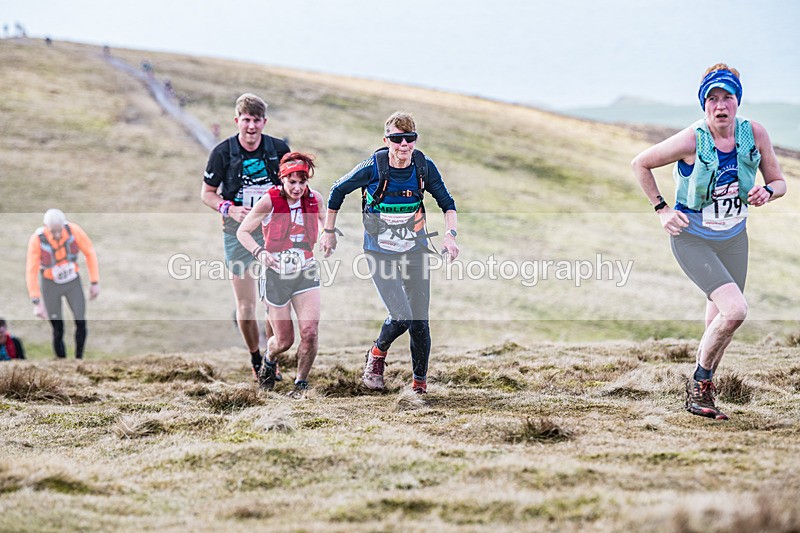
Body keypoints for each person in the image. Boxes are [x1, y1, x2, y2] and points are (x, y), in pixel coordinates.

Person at [631, 63, 786, 420]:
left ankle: (704, 396)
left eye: (727, 97)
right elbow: (640, 163)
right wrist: (661, 209)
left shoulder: (754, 134)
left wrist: (767, 192)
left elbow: (779, 182)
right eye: (712, 98)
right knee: (736, 311)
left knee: (720, 325)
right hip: (693, 238)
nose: (720, 105)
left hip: (734, 238)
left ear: (737, 101)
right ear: (704, 104)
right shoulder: (691, 139)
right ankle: (698, 386)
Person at [320, 111, 459, 395]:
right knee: (401, 316)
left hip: (415, 251)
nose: (404, 145)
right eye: (397, 139)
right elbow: (337, 190)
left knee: (420, 320)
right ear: (387, 141)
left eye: (410, 139)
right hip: (379, 253)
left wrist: (450, 236)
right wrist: (328, 231)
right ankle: (376, 355)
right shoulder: (373, 167)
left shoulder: (423, 167)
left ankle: (419, 385)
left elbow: (447, 203)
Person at [201, 93, 290, 382]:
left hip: (272, 232)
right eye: (246, 120)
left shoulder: (278, 149)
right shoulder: (222, 152)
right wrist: (230, 208)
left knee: (273, 300)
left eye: (256, 121)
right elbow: (207, 193)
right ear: (237, 120)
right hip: (235, 234)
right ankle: (255, 357)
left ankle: (270, 359)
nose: (251, 127)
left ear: (264, 122)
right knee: (246, 304)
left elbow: (292, 186)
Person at [237, 152, 325, 394]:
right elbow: (243, 232)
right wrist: (259, 252)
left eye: (302, 181)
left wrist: (329, 236)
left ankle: (300, 383)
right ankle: (269, 357)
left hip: (306, 270)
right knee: (284, 341)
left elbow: (327, 224)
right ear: (282, 179)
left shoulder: (315, 199)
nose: (297, 188)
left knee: (310, 332)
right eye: (292, 182)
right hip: (275, 274)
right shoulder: (269, 200)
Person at [26, 209, 100, 359]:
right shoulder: (37, 240)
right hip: (50, 285)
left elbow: (90, 252)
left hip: (73, 282)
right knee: (57, 328)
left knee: (81, 321)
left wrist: (94, 282)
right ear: (46, 227)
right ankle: (62, 361)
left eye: (59, 230)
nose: (58, 235)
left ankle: (79, 359)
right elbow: (31, 270)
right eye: (53, 231)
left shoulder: (74, 231)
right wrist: (36, 301)